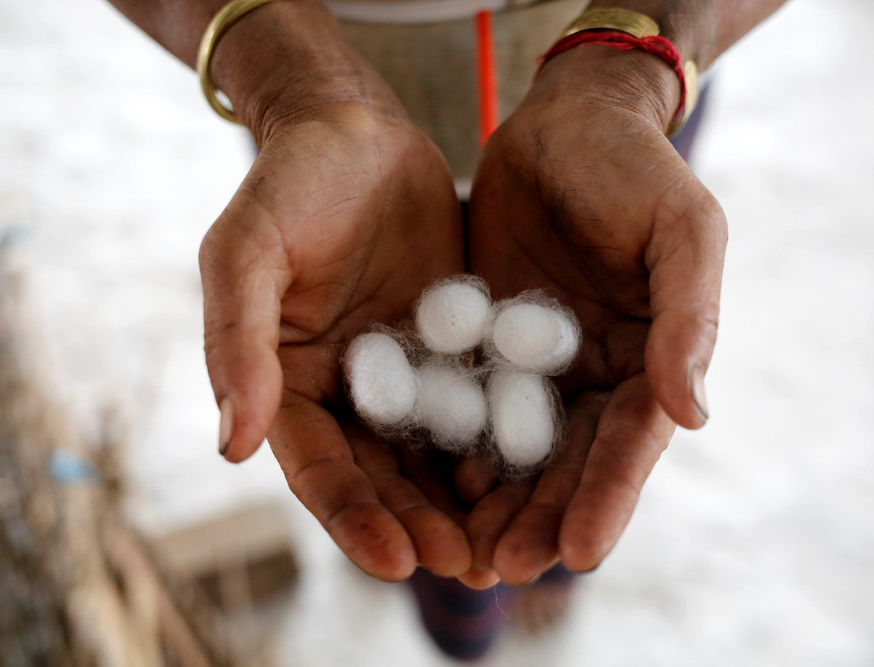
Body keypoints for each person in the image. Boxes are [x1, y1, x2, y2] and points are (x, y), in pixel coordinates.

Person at [108, 0, 786, 658]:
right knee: (436, 502)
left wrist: (634, 64)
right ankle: (464, 612)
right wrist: (285, 75)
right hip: (339, 174)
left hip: (608, 137)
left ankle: (543, 575)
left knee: (593, 420)